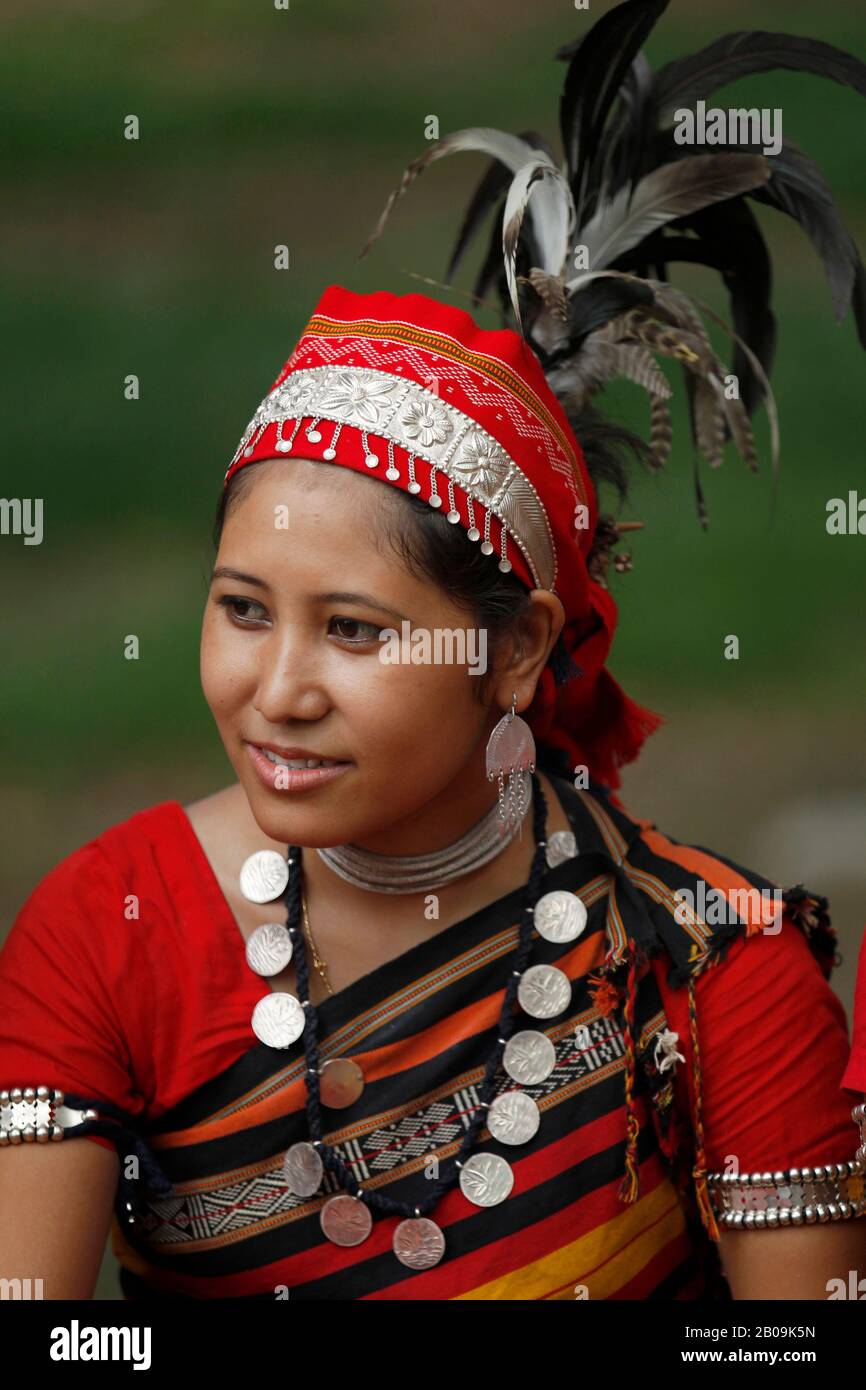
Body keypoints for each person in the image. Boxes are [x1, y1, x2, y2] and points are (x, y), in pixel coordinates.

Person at [3, 4, 866, 1301]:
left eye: (352, 629)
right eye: (242, 608)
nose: (274, 690)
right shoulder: (110, 932)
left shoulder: (710, 967)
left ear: (515, 652)